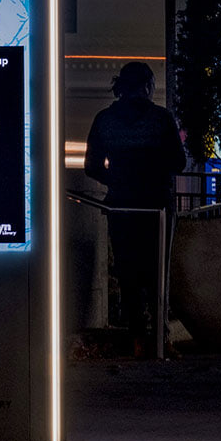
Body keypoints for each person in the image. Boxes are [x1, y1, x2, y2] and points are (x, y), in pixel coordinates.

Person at [83, 62, 187, 351]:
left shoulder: (105, 119)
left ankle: (137, 336)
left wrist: (117, 179)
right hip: (158, 205)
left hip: (122, 205)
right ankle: (161, 337)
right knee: (158, 271)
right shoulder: (162, 119)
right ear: (148, 85)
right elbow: (179, 162)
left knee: (127, 271)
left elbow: (91, 166)